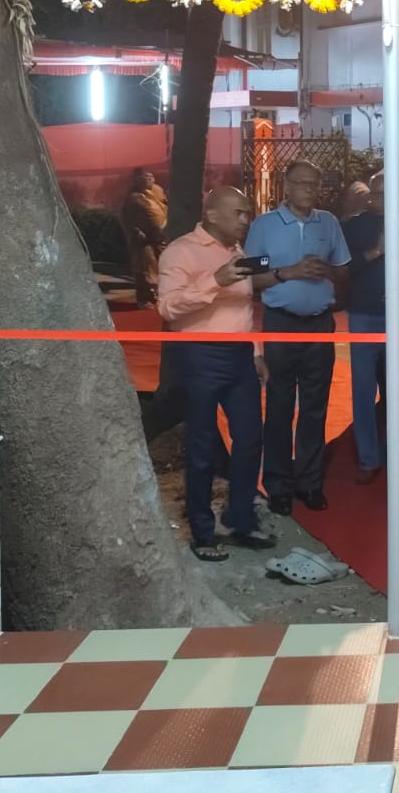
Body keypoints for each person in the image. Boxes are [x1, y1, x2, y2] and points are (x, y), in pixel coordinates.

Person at [156, 187, 273, 562]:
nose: (246, 220)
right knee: (202, 447)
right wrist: (215, 281)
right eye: (238, 213)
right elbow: (167, 307)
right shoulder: (180, 251)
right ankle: (203, 533)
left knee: (250, 439)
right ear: (211, 214)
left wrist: (255, 352)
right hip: (198, 355)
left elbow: (244, 309)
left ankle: (240, 519)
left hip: (239, 357)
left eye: (247, 213)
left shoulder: (236, 251)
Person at [242, 161, 350, 516]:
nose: (308, 188)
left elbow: (344, 273)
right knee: (279, 405)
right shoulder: (264, 225)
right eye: (301, 182)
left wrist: (326, 270)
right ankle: (278, 485)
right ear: (286, 186)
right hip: (280, 323)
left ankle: (309, 483)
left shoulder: (328, 222)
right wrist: (288, 272)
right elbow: (249, 280)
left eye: (314, 183)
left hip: (320, 325)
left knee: (315, 407)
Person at [341, 172, 399, 483]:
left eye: (386, 192)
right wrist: (377, 251)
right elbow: (343, 268)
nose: (380, 198)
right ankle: (368, 458)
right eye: (375, 193)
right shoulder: (352, 226)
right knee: (363, 391)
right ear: (368, 196)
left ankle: (395, 452)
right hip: (363, 316)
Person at [120, 168, 168, 307]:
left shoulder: (157, 192)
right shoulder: (132, 198)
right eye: (146, 177)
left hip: (160, 236)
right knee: (145, 268)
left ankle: (157, 294)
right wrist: (135, 231)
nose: (150, 179)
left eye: (151, 176)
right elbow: (126, 218)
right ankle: (144, 298)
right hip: (143, 239)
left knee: (163, 266)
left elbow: (165, 207)